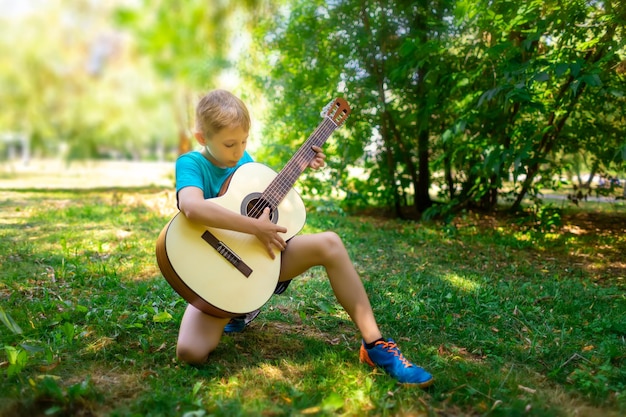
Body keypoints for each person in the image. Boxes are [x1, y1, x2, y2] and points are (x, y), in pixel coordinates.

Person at [172, 89, 434, 387]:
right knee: (190, 353)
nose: (238, 151)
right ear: (202, 138)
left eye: (244, 141)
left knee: (330, 243)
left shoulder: (244, 160)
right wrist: (253, 226)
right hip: (216, 278)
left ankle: (375, 346)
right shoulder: (191, 164)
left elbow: (261, 199)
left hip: (259, 260)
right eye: (230, 144)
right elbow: (191, 207)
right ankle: (242, 308)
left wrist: (299, 167)